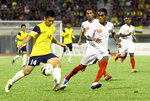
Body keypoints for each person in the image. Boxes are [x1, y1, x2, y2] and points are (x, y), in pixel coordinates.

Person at [5, 10, 68, 93]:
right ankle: (11, 82)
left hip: (47, 52)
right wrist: (22, 43)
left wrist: (60, 44)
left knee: (57, 63)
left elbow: (51, 38)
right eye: (49, 20)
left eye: (53, 21)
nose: (51, 22)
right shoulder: (39, 27)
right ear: (45, 18)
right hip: (37, 53)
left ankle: (56, 85)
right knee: (27, 72)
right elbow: (29, 36)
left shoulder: (53, 28)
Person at [60, 8, 120, 90]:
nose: (100, 17)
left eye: (102, 15)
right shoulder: (94, 26)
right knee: (81, 66)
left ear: (106, 16)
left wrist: (116, 42)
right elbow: (88, 37)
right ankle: (67, 78)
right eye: (98, 15)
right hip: (93, 48)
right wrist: (94, 39)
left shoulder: (110, 25)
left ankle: (95, 82)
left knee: (104, 62)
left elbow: (113, 33)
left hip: (103, 50)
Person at [78, 8, 112, 81]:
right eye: (88, 13)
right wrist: (80, 39)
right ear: (86, 15)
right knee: (93, 61)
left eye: (91, 13)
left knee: (101, 59)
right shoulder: (84, 24)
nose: (89, 14)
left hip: (99, 44)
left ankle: (105, 75)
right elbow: (82, 32)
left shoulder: (98, 21)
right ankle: (84, 66)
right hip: (90, 45)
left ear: (93, 14)